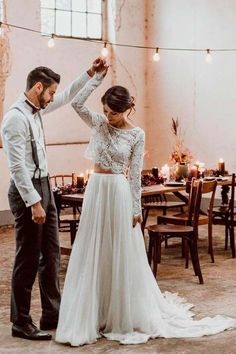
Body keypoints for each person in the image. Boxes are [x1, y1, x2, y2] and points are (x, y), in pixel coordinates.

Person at [55, 62, 236, 347]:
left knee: (118, 251)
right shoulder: (99, 123)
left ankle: (119, 313)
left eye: (113, 112)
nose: (108, 117)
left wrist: (135, 210)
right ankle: (92, 313)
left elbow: (135, 174)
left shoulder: (136, 135)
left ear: (127, 109)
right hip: (96, 192)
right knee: (93, 249)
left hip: (117, 191)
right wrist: (95, 78)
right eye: (105, 111)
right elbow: (76, 103)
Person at [1, 59, 102, 341]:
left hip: (45, 187)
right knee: (28, 258)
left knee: (52, 255)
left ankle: (52, 313)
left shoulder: (37, 110)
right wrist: (34, 202)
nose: (52, 98)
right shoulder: (14, 118)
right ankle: (20, 322)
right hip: (27, 192)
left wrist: (90, 73)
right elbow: (17, 167)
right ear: (37, 87)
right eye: (50, 92)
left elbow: (68, 94)